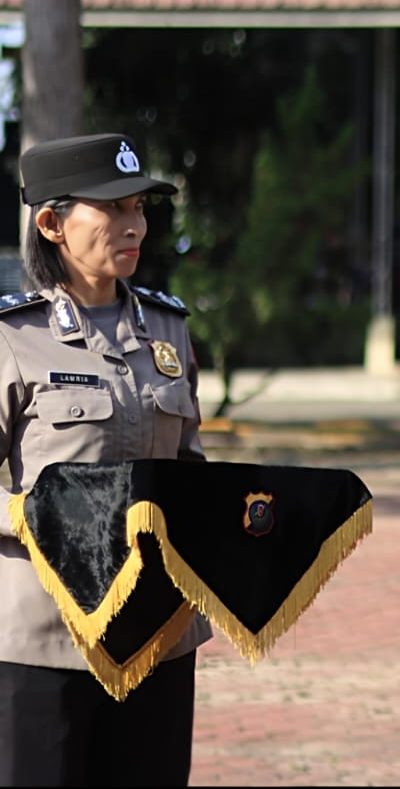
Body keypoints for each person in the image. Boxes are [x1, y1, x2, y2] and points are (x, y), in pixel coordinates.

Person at [0, 133, 207, 785]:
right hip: (46, 642)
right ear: (52, 223)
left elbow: (190, 467)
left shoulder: (168, 330)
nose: (134, 226)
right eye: (112, 210)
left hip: (159, 636)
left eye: (140, 208)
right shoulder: (14, 339)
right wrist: (48, 516)